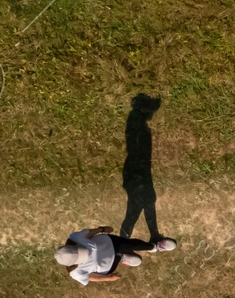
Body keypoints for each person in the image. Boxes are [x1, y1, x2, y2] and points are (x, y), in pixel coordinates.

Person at [121, 93, 173, 246]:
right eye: (151, 111)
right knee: (136, 207)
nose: (152, 115)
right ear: (145, 109)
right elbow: (136, 148)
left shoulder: (137, 120)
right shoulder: (136, 122)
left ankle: (154, 235)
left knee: (147, 201)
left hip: (140, 169)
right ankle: (123, 244)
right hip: (136, 170)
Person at [54, 225, 170, 285]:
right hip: (109, 265)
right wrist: (109, 278)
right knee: (119, 255)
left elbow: (89, 232)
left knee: (131, 244)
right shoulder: (75, 273)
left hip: (111, 243)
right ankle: (121, 257)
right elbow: (91, 277)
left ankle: (154, 247)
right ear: (72, 264)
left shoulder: (76, 237)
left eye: (81, 251)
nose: (87, 254)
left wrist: (102, 229)